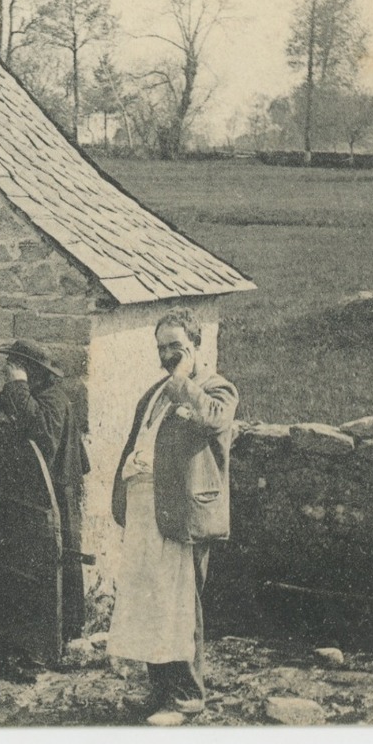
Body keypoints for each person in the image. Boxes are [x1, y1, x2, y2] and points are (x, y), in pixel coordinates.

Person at [105, 309, 239, 721]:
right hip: (148, 509)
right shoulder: (156, 392)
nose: (167, 355)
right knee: (150, 602)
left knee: (180, 606)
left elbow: (215, 420)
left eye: (176, 347)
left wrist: (183, 382)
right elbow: (138, 441)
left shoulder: (216, 388)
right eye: (161, 348)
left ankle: (187, 698)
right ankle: (161, 691)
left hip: (182, 514)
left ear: (195, 346)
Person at [0, 339, 91, 641]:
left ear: (32, 371)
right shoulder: (23, 394)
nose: (9, 372)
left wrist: (18, 386)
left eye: (15, 367)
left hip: (58, 492)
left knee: (58, 558)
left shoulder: (53, 398)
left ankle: (65, 634)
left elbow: (43, 438)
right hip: (30, 495)